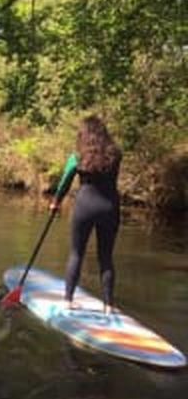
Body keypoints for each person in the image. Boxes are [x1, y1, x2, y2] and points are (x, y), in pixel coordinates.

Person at [50, 116, 122, 314]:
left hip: (84, 207)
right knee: (106, 257)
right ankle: (108, 305)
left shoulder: (78, 156)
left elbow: (65, 180)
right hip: (110, 207)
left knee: (76, 253)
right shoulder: (116, 154)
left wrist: (56, 201)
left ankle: (68, 300)